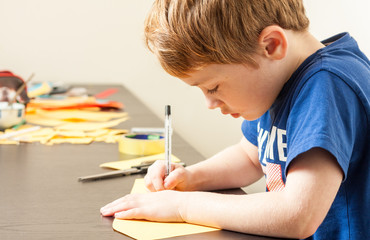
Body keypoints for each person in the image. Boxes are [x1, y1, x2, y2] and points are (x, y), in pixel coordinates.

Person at [100, 0, 370, 239]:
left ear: (271, 45)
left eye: (213, 87)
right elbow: (250, 156)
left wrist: (182, 207)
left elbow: (297, 215)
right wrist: (191, 178)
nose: (209, 103)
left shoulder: (328, 86)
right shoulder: (281, 78)